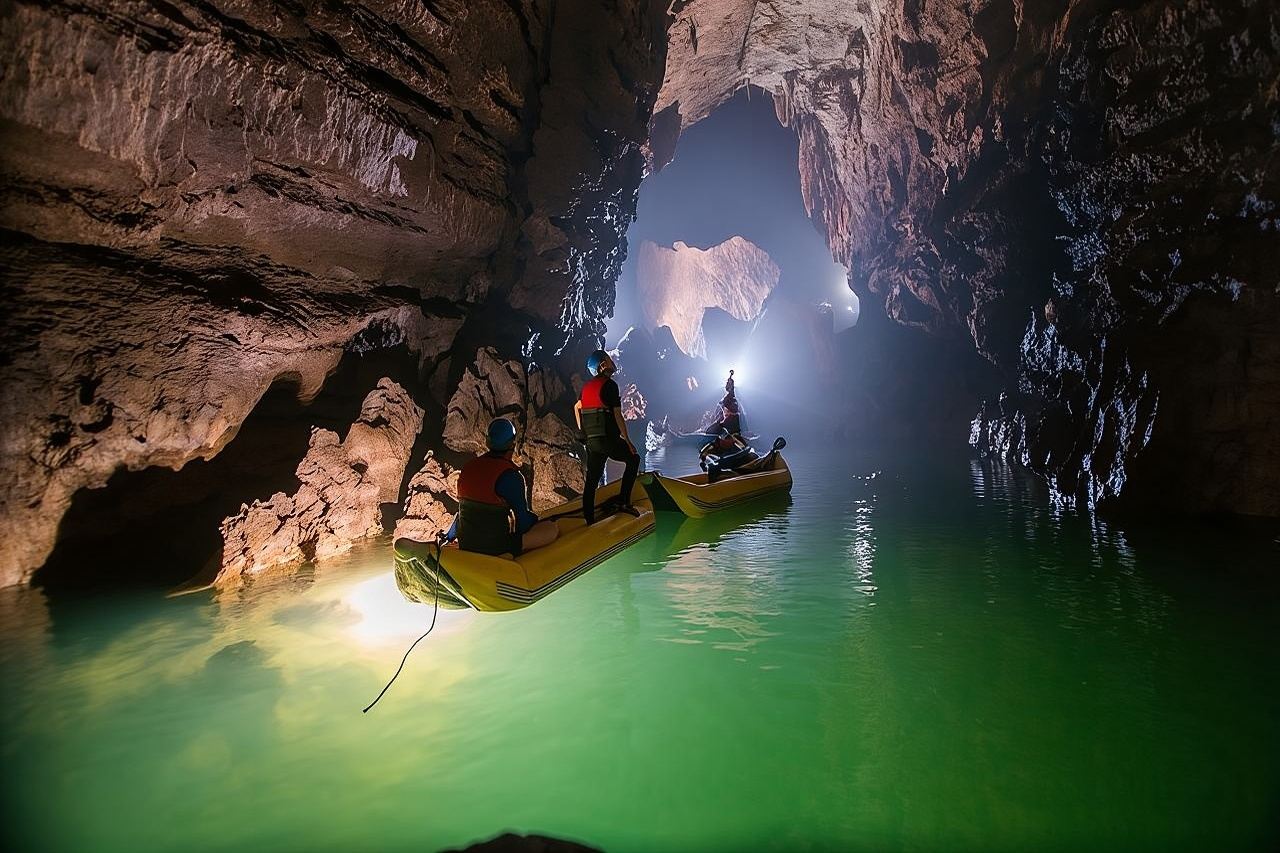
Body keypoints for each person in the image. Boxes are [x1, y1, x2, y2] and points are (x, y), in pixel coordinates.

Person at [446, 418, 559, 556]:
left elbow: (463, 511)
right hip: (495, 547)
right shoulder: (511, 477)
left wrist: (450, 536)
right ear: (512, 444)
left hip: (466, 543)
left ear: (488, 442)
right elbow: (522, 522)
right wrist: (538, 521)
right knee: (551, 530)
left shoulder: (468, 468)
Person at [574, 349, 640, 524]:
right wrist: (628, 441)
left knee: (592, 479)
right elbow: (618, 415)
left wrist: (583, 431)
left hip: (592, 442)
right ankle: (624, 502)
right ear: (602, 365)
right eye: (609, 359)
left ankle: (588, 518)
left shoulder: (586, 387)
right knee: (634, 459)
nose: (612, 361)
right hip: (607, 440)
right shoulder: (610, 386)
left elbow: (577, 407)